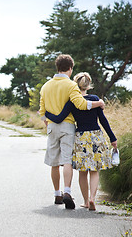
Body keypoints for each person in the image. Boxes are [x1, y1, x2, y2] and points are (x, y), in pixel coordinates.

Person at [39, 54, 105, 209]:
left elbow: (42, 111)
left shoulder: (45, 86)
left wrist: (47, 124)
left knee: (54, 163)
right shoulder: (70, 85)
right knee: (67, 160)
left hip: (52, 126)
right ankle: (67, 191)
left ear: (57, 68)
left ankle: (57, 194)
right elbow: (81, 104)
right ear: (70, 69)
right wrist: (99, 103)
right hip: (67, 126)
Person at [45, 72, 117, 211]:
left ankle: (85, 201)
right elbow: (103, 121)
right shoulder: (95, 99)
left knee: (83, 172)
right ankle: (92, 198)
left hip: (81, 138)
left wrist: (46, 114)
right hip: (96, 136)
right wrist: (112, 138)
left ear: (75, 85)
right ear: (88, 85)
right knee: (95, 170)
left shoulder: (72, 102)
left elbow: (59, 118)